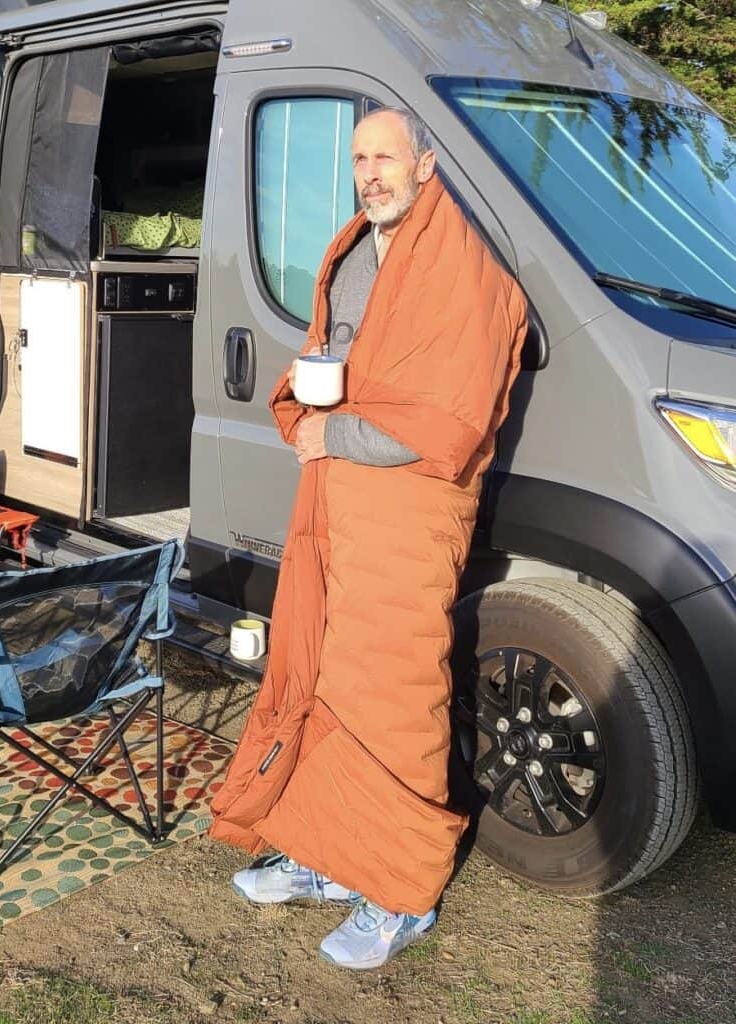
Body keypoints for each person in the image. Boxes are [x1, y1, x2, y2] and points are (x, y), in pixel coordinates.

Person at [209, 107, 528, 970]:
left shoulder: (459, 271)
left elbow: (448, 420)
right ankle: (329, 857)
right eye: (358, 158)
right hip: (337, 501)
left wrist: (333, 434)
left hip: (408, 508)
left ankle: (398, 893)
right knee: (325, 674)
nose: (370, 172)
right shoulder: (354, 249)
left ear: (426, 163)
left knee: (393, 691)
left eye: (386, 156)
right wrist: (309, 394)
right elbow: (340, 356)